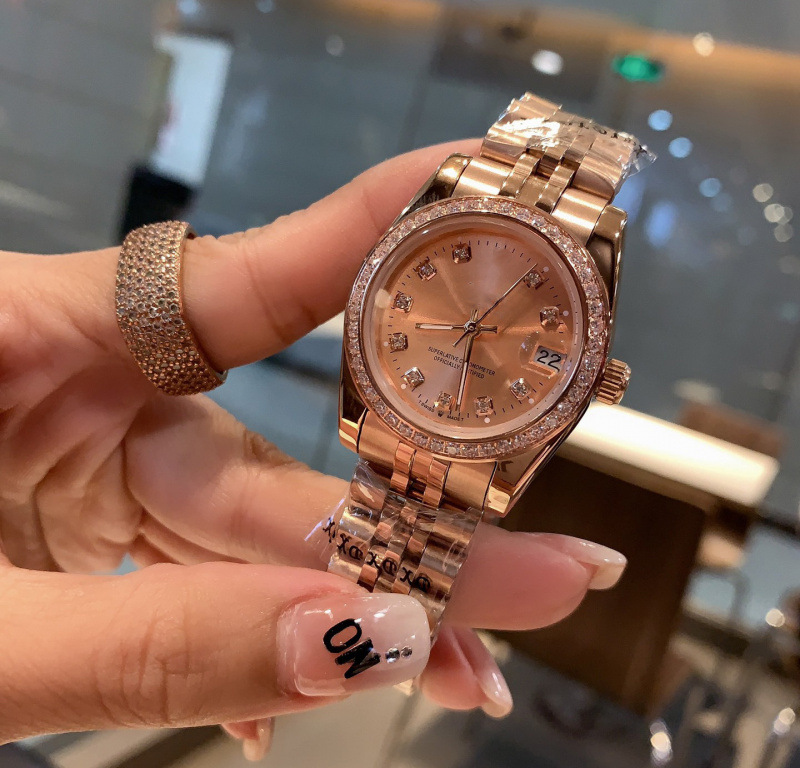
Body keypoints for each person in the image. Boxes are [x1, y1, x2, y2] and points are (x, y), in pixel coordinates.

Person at [0, 140, 626, 761]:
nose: (470, 328)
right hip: (394, 417)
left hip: (462, 443)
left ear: (596, 376)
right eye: (467, 318)